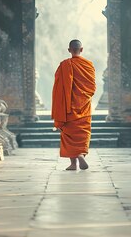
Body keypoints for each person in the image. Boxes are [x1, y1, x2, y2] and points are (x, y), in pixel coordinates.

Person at [52, 39, 96, 170]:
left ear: (69, 50)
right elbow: (92, 88)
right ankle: (81, 154)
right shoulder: (88, 65)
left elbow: (58, 89)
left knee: (68, 133)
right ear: (81, 50)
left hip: (68, 108)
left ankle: (73, 163)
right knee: (82, 133)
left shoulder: (64, 66)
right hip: (83, 107)